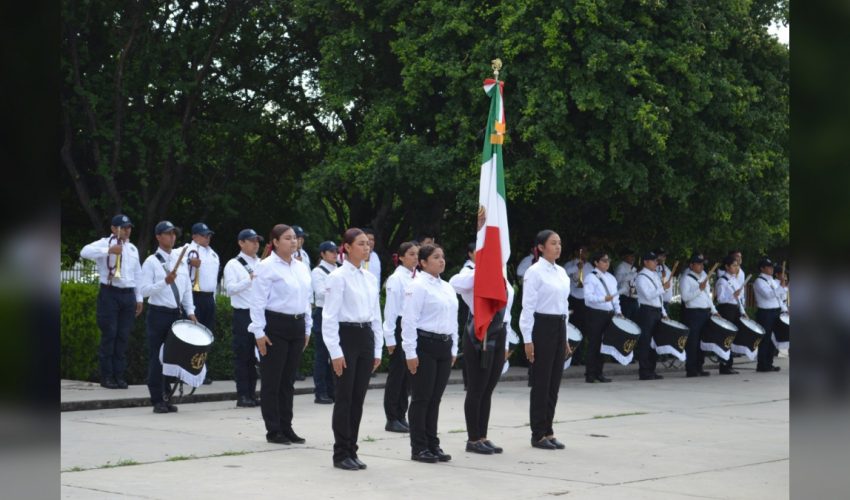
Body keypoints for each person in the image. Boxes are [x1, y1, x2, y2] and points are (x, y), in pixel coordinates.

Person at [322, 228, 383, 471]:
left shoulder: (369, 278)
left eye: (368, 243)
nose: (366, 248)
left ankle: (353, 449)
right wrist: (335, 352)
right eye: (361, 244)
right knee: (344, 398)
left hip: (365, 336)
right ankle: (341, 453)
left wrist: (377, 348)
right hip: (346, 337)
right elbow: (329, 317)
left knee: (358, 399)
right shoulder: (337, 277)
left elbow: (375, 314)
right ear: (346, 247)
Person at [248, 224, 313, 445]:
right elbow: (257, 302)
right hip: (275, 325)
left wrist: (307, 327)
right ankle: (273, 429)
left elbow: (306, 300)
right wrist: (258, 332)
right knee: (272, 381)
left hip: (296, 324)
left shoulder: (301, 267)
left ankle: (287, 426)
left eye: (295, 238)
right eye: (287, 238)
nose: (293, 242)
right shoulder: (266, 266)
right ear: (275, 242)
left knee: (288, 381)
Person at [449, 249, 513, 455]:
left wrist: (506, 343)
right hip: (480, 332)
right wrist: (482, 272)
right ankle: (473, 438)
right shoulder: (471, 272)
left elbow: (506, 311)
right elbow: (454, 284)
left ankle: (483, 436)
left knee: (488, 388)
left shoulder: (501, 272)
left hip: (500, 330)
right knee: (477, 387)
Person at [402, 244, 458, 464]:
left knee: (435, 399)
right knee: (421, 398)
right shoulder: (417, 286)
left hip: (444, 345)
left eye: (442, 257)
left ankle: (433, 443)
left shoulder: (446, 287)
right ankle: (419, 447)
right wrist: (410, 352)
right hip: (424, 344)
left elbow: (453, 320)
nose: (441, 260)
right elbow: (409, 320)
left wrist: (453, 348)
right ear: (423, 263)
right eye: (436, 257)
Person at [79, 214, 143, 389]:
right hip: (109, 292)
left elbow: (137, 274)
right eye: (123, 227)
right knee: (110, 334)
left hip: (128, 294)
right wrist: (108, 251)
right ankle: (107, 376)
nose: (127, 230)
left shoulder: (132, 249)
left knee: (123, 336)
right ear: (114, 229)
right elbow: (84, 252)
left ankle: (119, 375)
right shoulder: (104, 243)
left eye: (129, 227)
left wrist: (139, 298)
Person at [521, 230, 571, 450]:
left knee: (554, 383)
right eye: (553, 243)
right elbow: (528, 307)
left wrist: (566, 336)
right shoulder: (534, 272)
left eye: (559, 243)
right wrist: (527, 339)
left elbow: (564, 307)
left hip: (559, 326)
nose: (558, 247)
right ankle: (538, 433)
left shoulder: (561, 272)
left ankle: (549, 429)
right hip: (542, 326)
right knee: (541, 382)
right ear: (541, 247)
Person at [139, 221, 196, 413]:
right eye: (167, 234)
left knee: (171, 358)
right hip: (158, 314)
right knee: (157, 357)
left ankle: (166, 396)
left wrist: (191, 312)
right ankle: (156, 399)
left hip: (176, 313)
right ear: (158, 237)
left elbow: (187, 288)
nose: (171, 237)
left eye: (173, 234)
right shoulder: (151, 262)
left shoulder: (178, 260)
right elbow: (145, 290)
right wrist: (164, 282)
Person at [222, 228, 263, 407]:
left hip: (259, 313)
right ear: (241, 243)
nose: (256, 244)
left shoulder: (261, 262)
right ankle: (243, 395)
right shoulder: (233, 264)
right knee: (243, 355)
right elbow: (229, 289)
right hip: (243, 314)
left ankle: (253, 394)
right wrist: (250, 279)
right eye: (251, 240)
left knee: (257, 357)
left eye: (257, 241)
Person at [382, 241, 419, 432]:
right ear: (402, 257)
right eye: (411, 254)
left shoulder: (418, 276)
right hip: (399, 326)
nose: (415, 258)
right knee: (397, 374)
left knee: (407, 376)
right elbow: (391, 310)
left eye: (417, 254)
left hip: (412, 327)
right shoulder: (397, 278)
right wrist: (389, 337)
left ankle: (401, 414)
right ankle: (392, 416)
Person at [186, 222, 220, 384]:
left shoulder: (213, 254)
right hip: (194, 295)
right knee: (193, 335)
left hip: (208, 297)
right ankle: (188, 370)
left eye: (209, 235)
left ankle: (201, 369)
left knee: (207, 335)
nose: (207, 238)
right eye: (204, 235)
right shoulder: (188, 249)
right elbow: (176, 260)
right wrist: (188, 261)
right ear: (194, 236)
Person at [583, 251, 621, 383]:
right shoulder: (590, 278)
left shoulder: (611, 277)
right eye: (604, 260)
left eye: (608, 260)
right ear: (596, 262)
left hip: (609, 314)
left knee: (605, 345)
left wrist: (618, 311)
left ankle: (599, 372)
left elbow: (616, 298)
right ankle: (590, 374)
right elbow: (588, 299)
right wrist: (603, 299)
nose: (607, 263)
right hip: (596, 314)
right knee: (594, 344)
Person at [680, 253, 718, 377]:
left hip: (705, 312)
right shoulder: (686, 278)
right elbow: (685, 298)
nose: (701, 266)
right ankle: (691, 369)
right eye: (698, 264)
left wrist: (714, 310)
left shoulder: (704, 276)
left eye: (702, 264)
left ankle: (699, 367)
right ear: (692, 265)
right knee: (692, 342)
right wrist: (698, 289)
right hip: (693, 313)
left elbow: (708, 296)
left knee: (702, 342)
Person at [311, 241, 340, 404]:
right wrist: (336, 291)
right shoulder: (318, 271)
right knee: (322, 355)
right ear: (322, 254)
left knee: (335, 354)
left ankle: (332, 389)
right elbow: (321, 293)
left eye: (336, 251)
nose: (335, 254)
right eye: (330, 251)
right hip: (323, 312)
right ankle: (320, 391)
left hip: (337, 313)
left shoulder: (339, 269)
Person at [635, 251, 669, 381]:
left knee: (655, 342)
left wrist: (664, 312)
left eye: (656, 261)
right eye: (653, 261)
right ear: (645, 262)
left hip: (657, 311)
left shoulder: (654, 275)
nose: (656, 263)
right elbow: (648, 295)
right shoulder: (641, 277)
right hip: (647, 311)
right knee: (645, 341)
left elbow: (659, 298)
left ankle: (652, 369)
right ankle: (644, 371)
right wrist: (663, 288)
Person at [715, 255, 748, 375]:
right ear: (727, 267)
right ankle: (724, 365)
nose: (736, 267)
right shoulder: (722, 281)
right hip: (726, 309)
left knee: (733, 337)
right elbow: (721, 299)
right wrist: (733, 295)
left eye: (737, 265)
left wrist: (743, 312)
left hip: (735, 309)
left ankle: (729, 364)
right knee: (726, 337)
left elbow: (738, 298)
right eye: (734, 265)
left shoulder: (734, 279)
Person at [753, 257, 787, 372]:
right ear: (762, 268)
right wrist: (781, 286)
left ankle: (769, 363)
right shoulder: (759, 281)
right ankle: (762, 364)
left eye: (772, 267)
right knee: (765, 339)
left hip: (775, 311)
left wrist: (784, 309)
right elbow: (768, 295)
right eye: (768, 267)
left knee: (773, 339)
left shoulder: (772, 280)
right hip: (765, 313)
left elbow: (780, 296)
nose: (771, 269)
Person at [563, 243, 591, 364]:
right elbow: (564, 273)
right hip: (573, 298)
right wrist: (577, 268)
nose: (585, 254)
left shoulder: (589, 266)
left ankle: (581, 357)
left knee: (584, 329)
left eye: (586, 251)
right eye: (582, 251)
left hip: (585, 300)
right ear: (576, 252)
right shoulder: (570, 264)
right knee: (574, 328)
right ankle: (571, 356)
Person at [614, 249, 639, 320]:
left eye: (633, 256)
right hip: (625, 298)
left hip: (634, 298)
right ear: (625, 257)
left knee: (634, 321)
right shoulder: (621, 266)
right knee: (625, 320)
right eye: (631, 256)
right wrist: (634, 274)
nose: (633, 258)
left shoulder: (633, 267)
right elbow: (618, 279)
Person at [654, 248, 674, 312]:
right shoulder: (652, 269)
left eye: (664, 256)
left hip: (665, 303)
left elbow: (667, 287)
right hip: (655, 302)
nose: (664, 258)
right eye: (661, 256)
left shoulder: (666, 270)